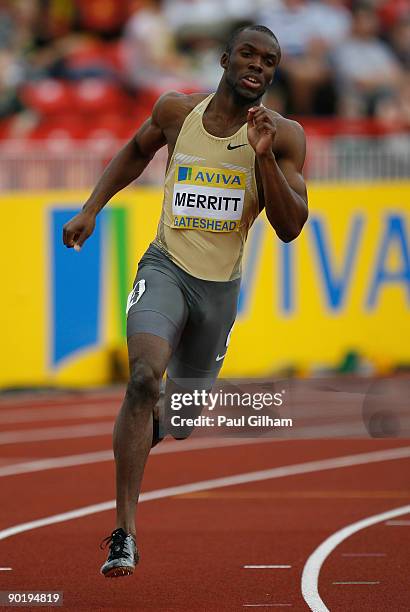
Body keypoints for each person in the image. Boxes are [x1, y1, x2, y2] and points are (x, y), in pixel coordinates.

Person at [62, 24, 308, 578]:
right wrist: (91, 208)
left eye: (269, 61)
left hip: (218, 293)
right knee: (145, 378)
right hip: (165, 267)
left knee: (180, 418)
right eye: (248, 54)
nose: (258, 66)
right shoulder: (178, 112)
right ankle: (123, 533)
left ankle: (143, 432)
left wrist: (264, 158)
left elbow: (291, 227)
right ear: (225, 59)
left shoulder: (286, 135)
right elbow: (134, 149)